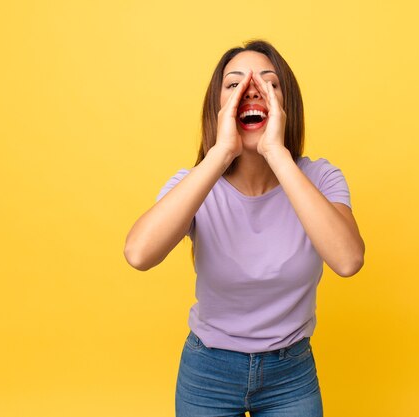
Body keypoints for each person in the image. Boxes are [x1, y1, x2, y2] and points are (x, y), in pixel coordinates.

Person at [124, 39, 365, 417]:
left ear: (287, 105)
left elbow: (348, 260)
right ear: (218, 108)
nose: (250, 91)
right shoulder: (195, 184)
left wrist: (276, 153)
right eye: (234, 85)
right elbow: (138, 254)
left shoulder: (319, 178)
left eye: (268, 83)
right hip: (208, 372)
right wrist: (220, 154)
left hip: (291, 374)